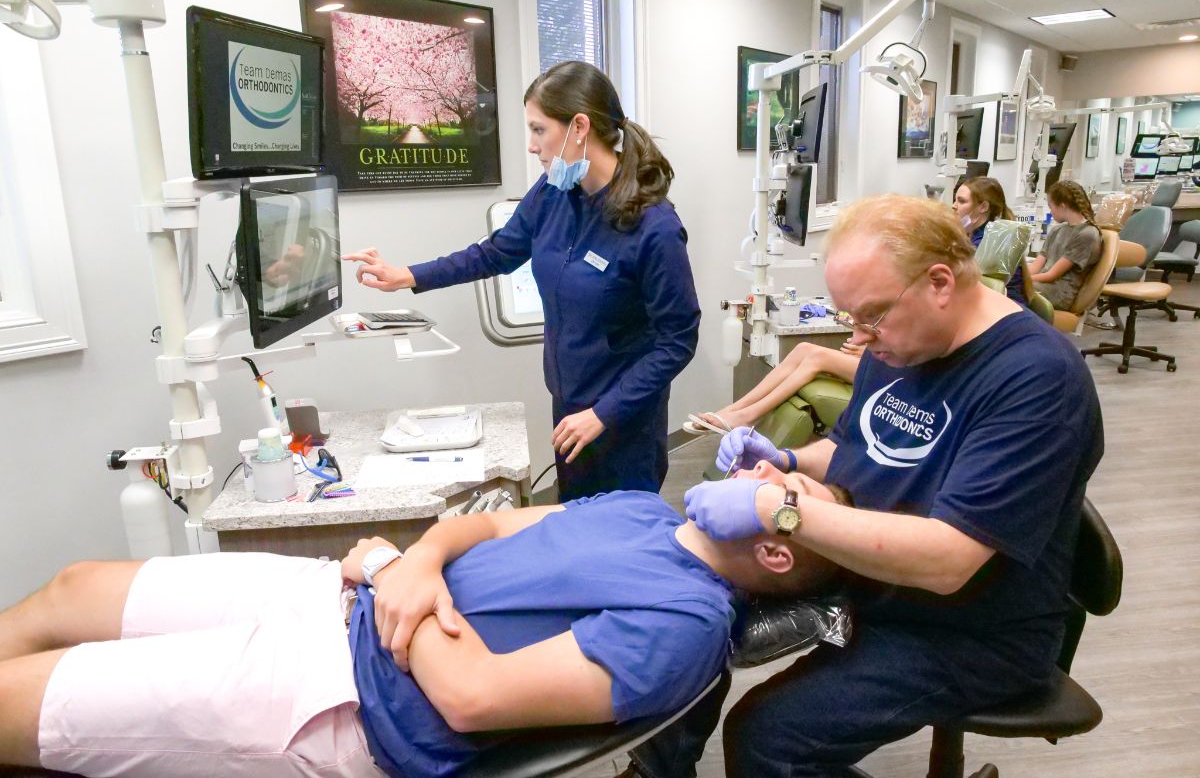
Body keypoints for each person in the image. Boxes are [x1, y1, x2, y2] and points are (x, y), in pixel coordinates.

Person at [626, 194, 1104, 778]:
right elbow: (855, 449)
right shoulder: (901, 341)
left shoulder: (1035, 378)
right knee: (689, 609)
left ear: (939, 281)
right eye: (852, 316)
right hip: (877, 581)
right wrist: (783, 456)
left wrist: (782, 507)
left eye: (871, 315)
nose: (860, 337)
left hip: (971, 630)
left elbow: (950, 560)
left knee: (769, 737)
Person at [0, 465, 843, 778]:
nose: (773, 462)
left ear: (776, 553)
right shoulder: (641, 508)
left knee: (12, 705)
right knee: (72, 590)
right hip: (344, 602)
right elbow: (482, 525)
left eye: (790, 492)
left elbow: (472, 697)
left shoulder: (685, 626)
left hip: (349, 698)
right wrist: (414, 561)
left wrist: (392, 567)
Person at [342, 61, 700, 501]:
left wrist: (604, 414)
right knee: (573, 527)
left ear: (579, 127)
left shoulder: (654, 227)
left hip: (625, 420)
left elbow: (677, 341)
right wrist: (408, 275)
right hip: (569, 407)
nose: (532, 146)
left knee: (621, 543)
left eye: (539, 130)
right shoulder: (553, 194)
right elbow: (495, 252)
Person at [691, 340, 864, 432]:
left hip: (889, 372)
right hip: (877, 360)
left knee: (818, 358)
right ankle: (733, 410)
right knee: (802, 349)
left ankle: (748, 417)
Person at [1029, 180, 1102, 311]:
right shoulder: (1057, 230)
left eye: (1051, 207)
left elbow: (1052, 275)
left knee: (1010, 291)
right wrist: (1015, 276)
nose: (1050, 212)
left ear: (1062, 206)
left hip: (1060, 292)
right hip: (1042, 284)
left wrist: (1022, 280)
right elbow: (1036, 266)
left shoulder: (1087, 234)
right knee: (1002, 287)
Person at [952, 176, 1027, 305]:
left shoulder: (988, 243)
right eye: (955, 200)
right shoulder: (978, 235)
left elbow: (962, 283)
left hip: (1005, 311)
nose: (954, 206)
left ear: (983, 207)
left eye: (961, 201)